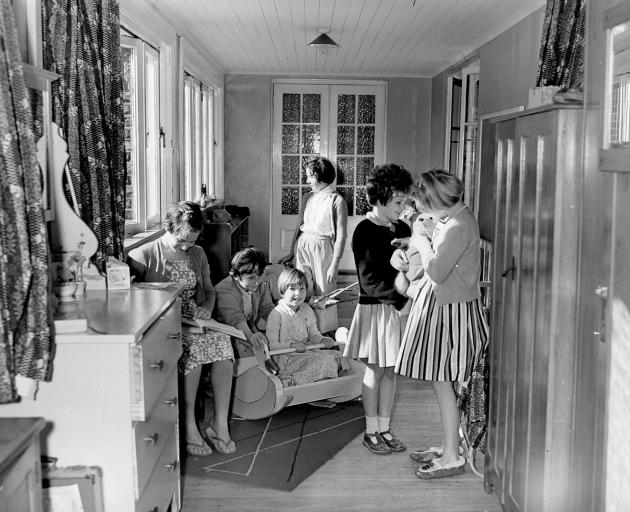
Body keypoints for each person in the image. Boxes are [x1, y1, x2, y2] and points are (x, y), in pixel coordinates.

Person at [394, 169, 489, 479]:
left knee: (443, 380)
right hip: (449, 307)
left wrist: (420, 240)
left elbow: (435, 270)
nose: (421, 210)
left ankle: (451, 455)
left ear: (435, 200)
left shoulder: (459, 225)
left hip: (453, 312)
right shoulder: (455, 218)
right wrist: (418, 239)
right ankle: (450, 445)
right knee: (443, 382)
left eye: (424, 204)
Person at [127, 201, 235, 457]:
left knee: (223, 344)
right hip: (162, 326)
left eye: (192, 241)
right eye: (181, 241)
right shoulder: (143, 256)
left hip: (194, 322)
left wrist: (206, 308)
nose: (187, 247)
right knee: (195, 350)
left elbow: (209, 291)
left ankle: (219, 423)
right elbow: (133, 302)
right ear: (168, 228)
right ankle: (188, 425)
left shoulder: (197, 254)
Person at [343, 163, 413, 455]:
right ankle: (371, 431)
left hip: (395, 311)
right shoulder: (364, 231)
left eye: (406, 201)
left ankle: (384, 427)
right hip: (377, 310)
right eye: (398, 202)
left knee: (391, 372)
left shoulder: (401, 228)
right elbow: (369, 281)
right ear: (381, 198)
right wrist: (401, 302)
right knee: (374, 372)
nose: (403, 206)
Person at [279, 157, 348, 334]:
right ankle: (304, 330)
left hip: (323, 247)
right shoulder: (307, 197)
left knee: (324, 291)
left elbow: (341, 235)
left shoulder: (337, 200)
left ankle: (326, 333)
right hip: (303, 245)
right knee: (302, 286)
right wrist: (291, 251)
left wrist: (335, 264)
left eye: (310, 176)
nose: (307, 180)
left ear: (321, 176)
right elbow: (298, 226)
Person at [266, 267, 347, 387]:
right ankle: (310, 385)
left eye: (302, 289)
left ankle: (328, 385)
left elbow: (314, 334)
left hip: (307, 352)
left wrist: (322, 340)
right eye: (292, 289)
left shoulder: (307, 309)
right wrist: (292, 346)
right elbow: (272, 345)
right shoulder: (277, 314)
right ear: (282, 291)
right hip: (287, 359)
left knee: (338, 356)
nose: (298, 294)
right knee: (323, 361)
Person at [214, 247, 276, 359]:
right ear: (236, 276)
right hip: (225, 336)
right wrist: (251, 336)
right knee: (256, 357)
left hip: (247, 330)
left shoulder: (259, 285)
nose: (257, 281)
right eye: (251, 277)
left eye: (260, 274)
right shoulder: (224, 290)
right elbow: (236, 319)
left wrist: (288, 320)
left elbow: (268, 310)